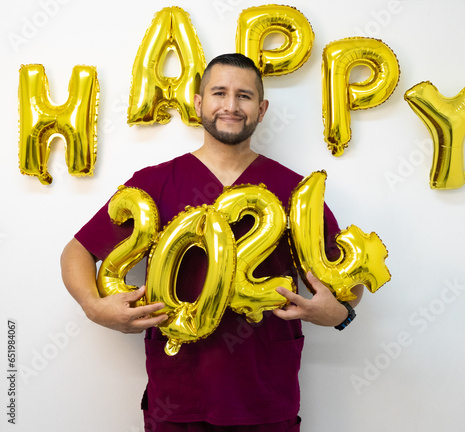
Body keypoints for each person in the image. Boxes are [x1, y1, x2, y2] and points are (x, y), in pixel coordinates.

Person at [60, 53, 363, 432]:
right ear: (200, 102)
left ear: (262, 109)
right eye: (219, 93)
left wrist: (338, 315)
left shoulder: (295, 190)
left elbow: (347, 280)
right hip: (177, 395)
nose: (231, 106)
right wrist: (94, 308)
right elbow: (78, 251)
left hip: (265, 398)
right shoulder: (155, 183)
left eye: (245, 96)